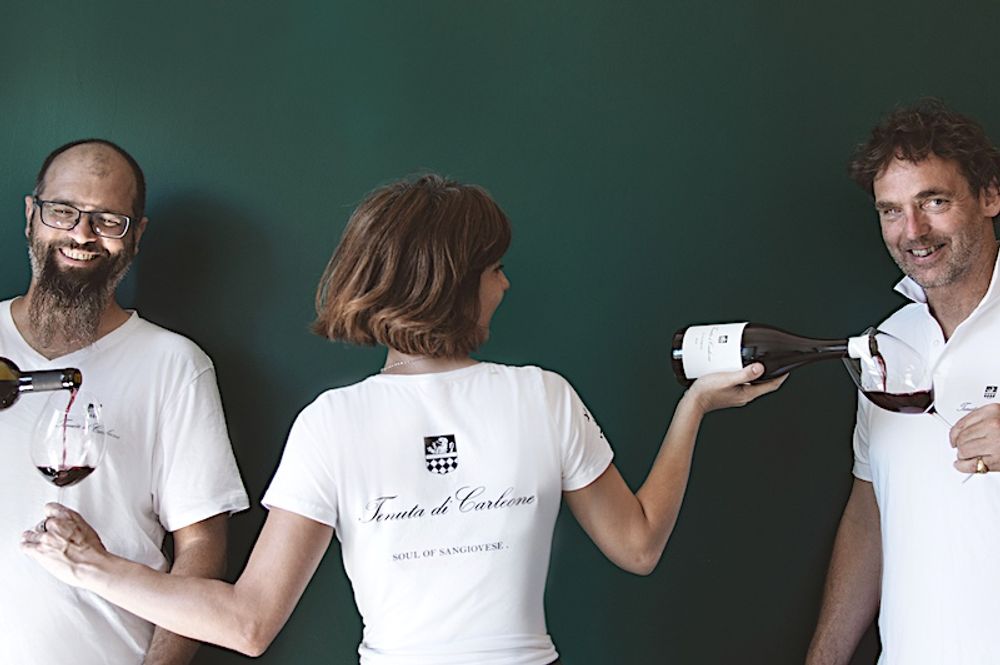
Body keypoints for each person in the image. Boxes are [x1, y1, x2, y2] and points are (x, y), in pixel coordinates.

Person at [22, 174, 782, 664]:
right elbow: (640, 545)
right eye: (493, 268)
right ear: (454, 282)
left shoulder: (331, 423)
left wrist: (93, 567)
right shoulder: (543, 396)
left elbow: (248, 622)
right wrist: (692, 410)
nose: (505, 286)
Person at [2, 139, 249, 665]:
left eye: (108, 220)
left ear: (136, 236)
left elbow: (201, 547)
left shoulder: (175, 366)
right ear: (30, 215)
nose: (81, 234)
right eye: (63, 211)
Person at [806, 100, 1000, 665]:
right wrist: (825, 658)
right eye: (891, 211)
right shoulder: (887, 346)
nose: (913, 231)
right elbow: (871, 509)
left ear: (990, 196)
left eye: (934, 202)